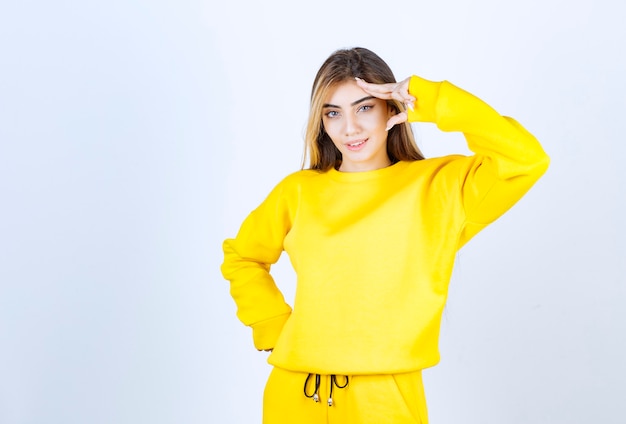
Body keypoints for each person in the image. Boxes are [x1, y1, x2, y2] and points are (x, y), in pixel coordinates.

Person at [221, 47, 549, 424]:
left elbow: (526, 159)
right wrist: (271, 324)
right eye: (333, 113)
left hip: (384, 400)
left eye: (364, 107)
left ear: (391, 108)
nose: (350, 129)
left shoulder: (439, 187)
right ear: (321, 122)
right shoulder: (297, 191)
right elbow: (242, 256)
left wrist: (431, 99)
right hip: (295, 389)